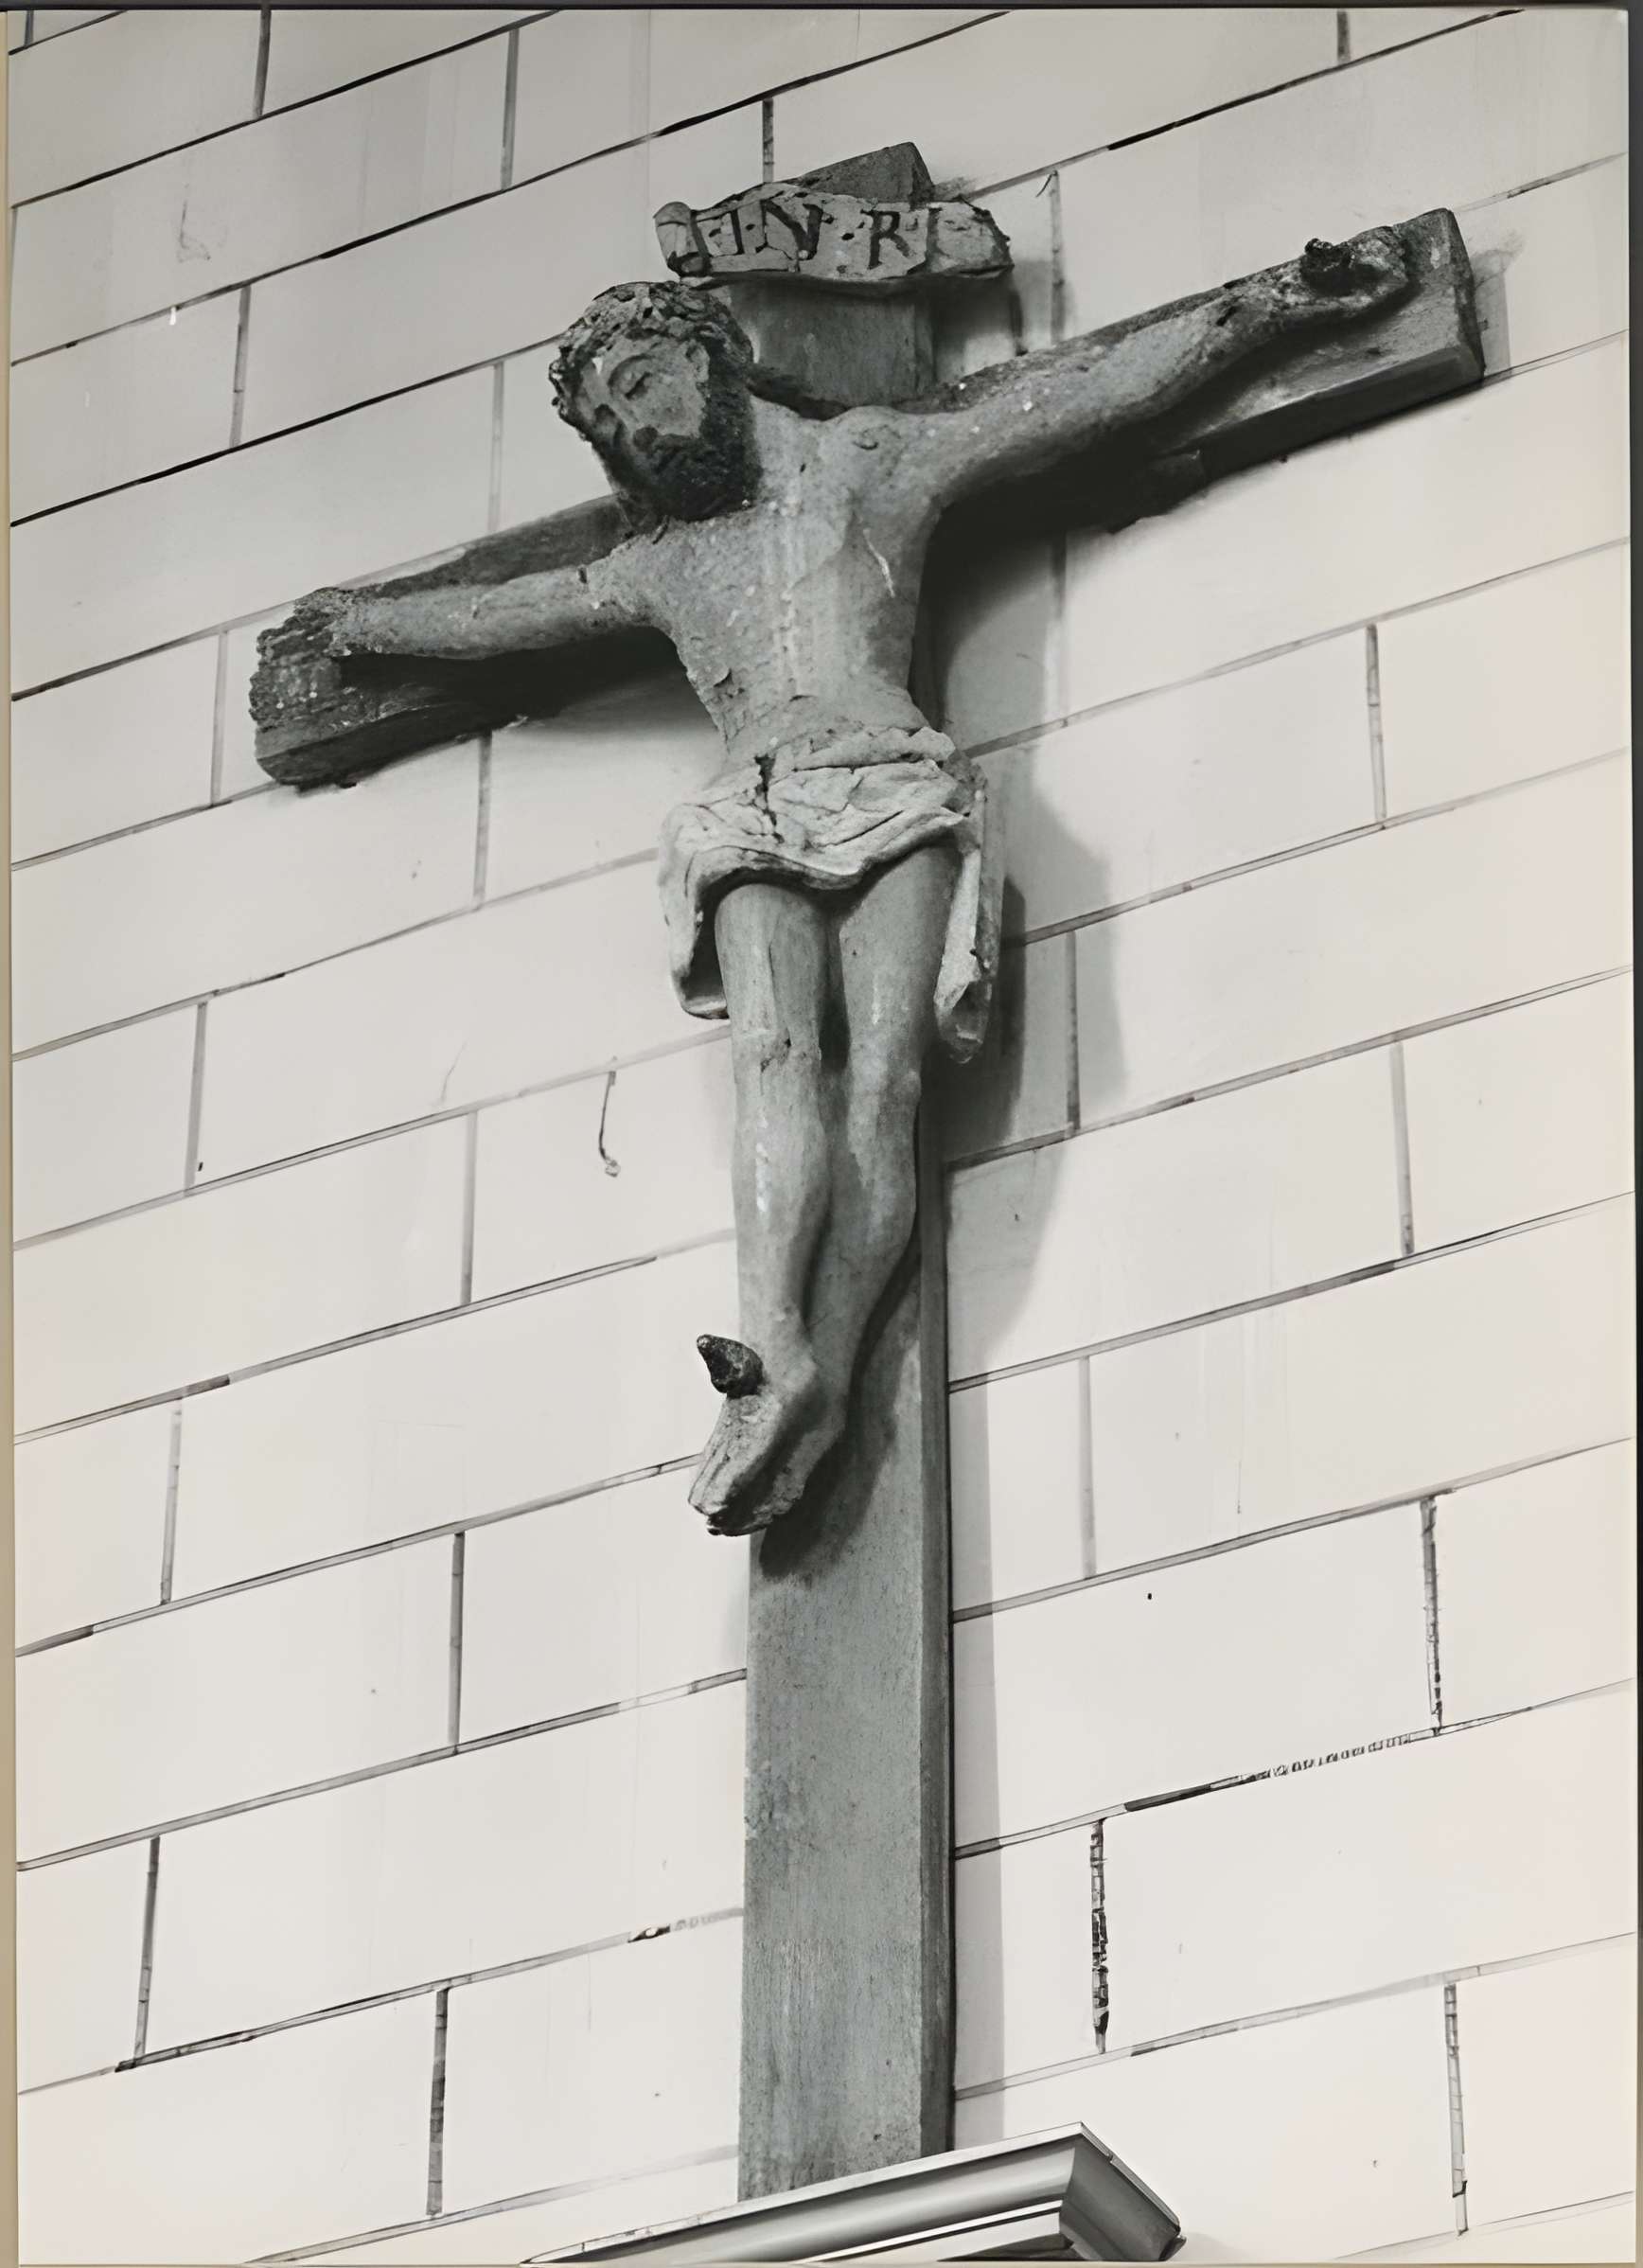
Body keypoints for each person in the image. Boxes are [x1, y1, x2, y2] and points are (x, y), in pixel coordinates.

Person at [315, 230, 1410, 1535]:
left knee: (883, 1074)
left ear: (715, 355)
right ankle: (769, 1346)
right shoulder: (670, 565)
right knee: (778, 1054)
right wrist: (357, 627)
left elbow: (1080, 400)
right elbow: (510, 614)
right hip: (755, 807)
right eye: (612, 418)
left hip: (891, 783)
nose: (643, 427)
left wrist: (1269, 304)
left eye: (648, 380)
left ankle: (820, 1374)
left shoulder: (869, 464)